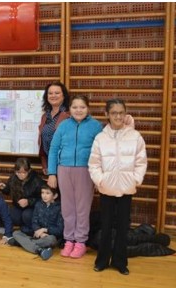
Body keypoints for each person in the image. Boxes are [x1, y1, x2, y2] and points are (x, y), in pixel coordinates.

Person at [88, 98, 148, 275]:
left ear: (125, 113)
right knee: (106, 226)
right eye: (114, 113)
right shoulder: (100, 138)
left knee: (123, 227)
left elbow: (141, 161)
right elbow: (94, 164)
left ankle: (120, 262)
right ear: (107, 114)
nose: (118, 116)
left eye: (121, 112)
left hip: (126, 189)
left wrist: (135, 180)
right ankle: (102, 261)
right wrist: (101, 181)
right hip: (107, 190)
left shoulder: (135, 136)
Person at [47, 94, 101, 259]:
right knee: (67, 208)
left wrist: (99, 177)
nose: (79, 110)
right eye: (75, 107)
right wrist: (52, 173)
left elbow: (102, 152)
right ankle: (69, 239)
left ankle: (80, 242)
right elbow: (54, 149)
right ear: (69, 109)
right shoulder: (63, 126)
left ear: (88, 108)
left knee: (82, 208)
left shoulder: (96, 126)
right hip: (64, 170)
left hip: (86, 170)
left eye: (82, 107)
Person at [10, 184, 63, 260]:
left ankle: (21, 243)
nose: (44, 196)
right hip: (37, 233)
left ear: (55, 196)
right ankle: (40, 249)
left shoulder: (59, 208)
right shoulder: (38, 204)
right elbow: (34, 221)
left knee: (51, 240)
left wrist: (44, 230)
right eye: (42, 193)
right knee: (16, 233)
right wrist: (38, 230)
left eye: (47, 193)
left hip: (49, 236)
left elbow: (59, 230)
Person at [0, 158, 44, 235]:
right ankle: (23, 228)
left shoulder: (36, 180)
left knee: (27, 215)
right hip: (18, 206)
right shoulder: (13, 178)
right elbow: (8, 190)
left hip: (32, 207)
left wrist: (29, 201)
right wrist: (3, 188)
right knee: (13, 216)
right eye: (18, 172)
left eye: (24, 172)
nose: (21, 175)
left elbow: (42, 198)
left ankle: (30, 229)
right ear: (15, 171)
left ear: (29, 170)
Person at [37, 82, 70, 173]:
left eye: (57, 93)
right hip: (49, 163)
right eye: (50, 93)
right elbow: (42, 142)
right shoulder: (45, 116)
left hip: (65, 164)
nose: (53, 95)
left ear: (63, 96)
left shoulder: (70, 115)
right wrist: (45, 164)